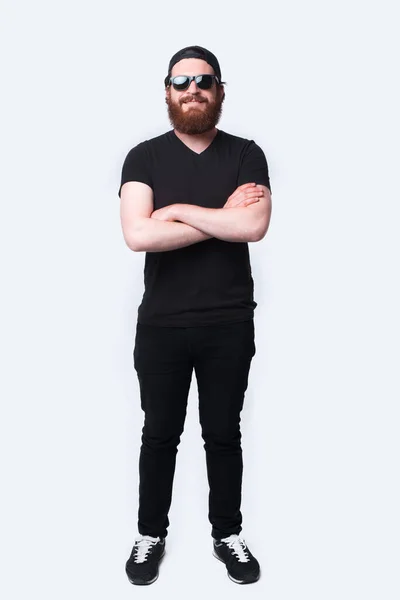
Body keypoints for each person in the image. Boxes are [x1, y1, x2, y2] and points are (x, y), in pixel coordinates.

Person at [118, 45, 272, 586]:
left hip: (228, 322)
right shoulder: (144, 158)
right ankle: (149, 534)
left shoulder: (246, 155)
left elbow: (252, 228)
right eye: (180, 81)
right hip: (161, 325)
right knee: (159, 434)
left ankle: (226, 534)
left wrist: (178, 211)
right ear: (166, 91)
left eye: (204, 80)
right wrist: (218, 216)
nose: (193, 89)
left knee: (222, 434)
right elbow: (138, 234)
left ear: (220, 90)